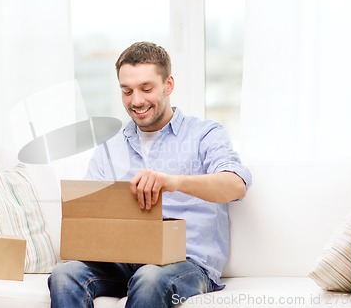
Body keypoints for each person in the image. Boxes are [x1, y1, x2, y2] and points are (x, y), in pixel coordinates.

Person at [48, 41, 252, 308]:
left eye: (146, 88)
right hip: (121, 260)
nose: (136, 101)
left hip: (185, 263)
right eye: (127, 91)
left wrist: (172, 182)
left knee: (150, 277)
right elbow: (90, 219)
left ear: (168, 85)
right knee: (63, 275)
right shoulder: (109, 148)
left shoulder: (204, 134)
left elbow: (236, 185)